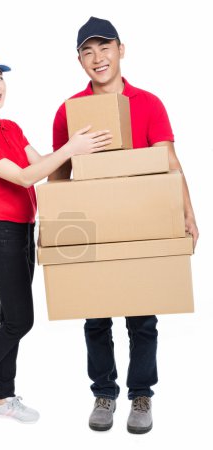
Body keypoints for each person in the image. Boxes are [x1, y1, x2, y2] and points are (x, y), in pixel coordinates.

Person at [49, 16, 199, 434]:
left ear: (121, 50)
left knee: (142, 315)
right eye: (88, 51)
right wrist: (55, 230)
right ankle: (104, 392)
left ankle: (141, 395)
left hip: (142, 219)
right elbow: (60, 177)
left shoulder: (148, 103)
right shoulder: (70, 111)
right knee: (94, 315)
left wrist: (187, 212)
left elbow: (169, 163)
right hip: (91, 222)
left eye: (104, 48)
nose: (98, 58)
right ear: (79, 59)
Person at [0, 50, 112, 426]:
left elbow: (42, 166)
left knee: (11, 317)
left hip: (26, 232)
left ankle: (3, 398)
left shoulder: (12, 128)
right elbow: (24, 177)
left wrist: (81, 157)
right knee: (19, 321)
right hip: (1, 237)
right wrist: (70, 148)